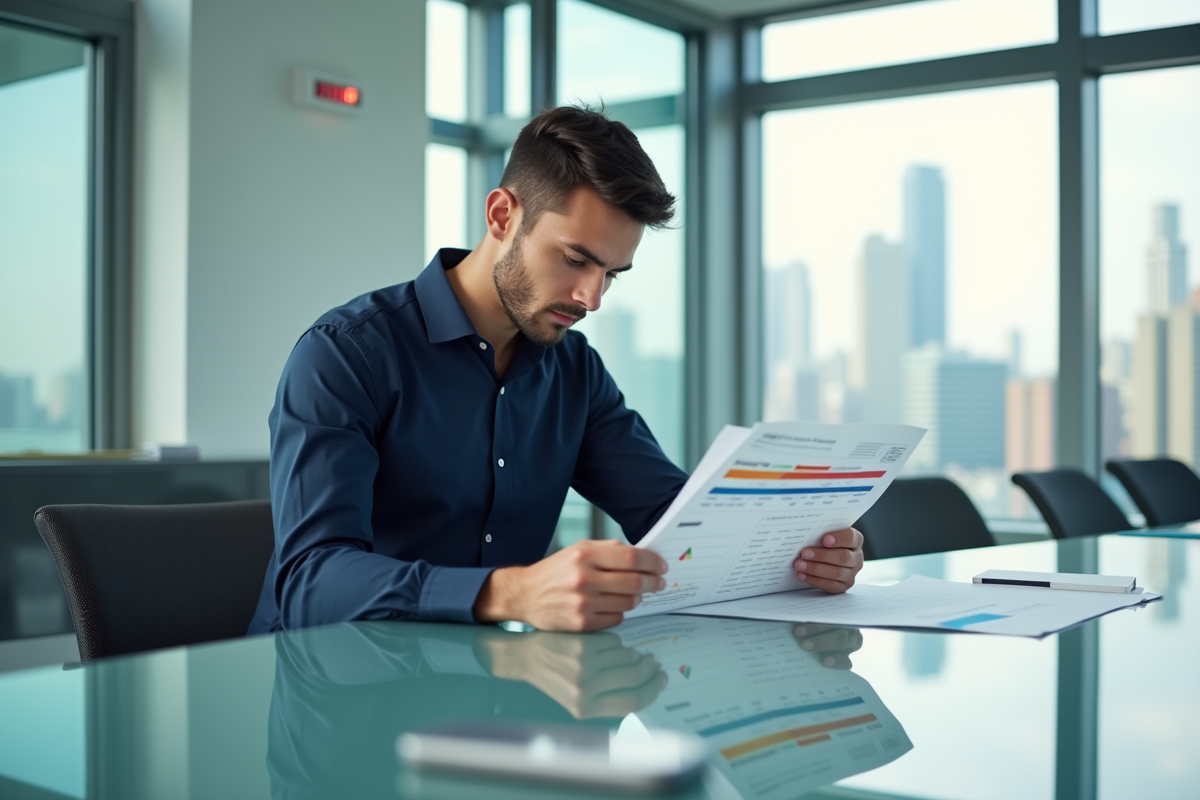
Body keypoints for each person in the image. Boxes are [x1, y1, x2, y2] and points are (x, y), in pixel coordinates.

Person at [247, 105, 864, 636]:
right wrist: (511, 593)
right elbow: (309, 581)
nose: (592, 298)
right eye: (575, 259)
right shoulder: (345, 355)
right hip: (327, 686)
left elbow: (676, 521)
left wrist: (805, 555)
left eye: (611, 274)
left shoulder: (574, 372)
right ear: (501, 216)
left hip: (485, 688)